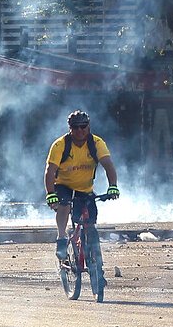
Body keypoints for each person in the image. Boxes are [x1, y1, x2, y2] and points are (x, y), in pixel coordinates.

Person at [44, 110, 120, 260]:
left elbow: (108, 165)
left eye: (83, 126)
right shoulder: (60, 145)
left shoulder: (97, 143)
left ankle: (94, 260)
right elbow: (50, 171)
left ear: (89, 126)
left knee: (90, 221)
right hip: (63, 185)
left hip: (85, 188)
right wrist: (51, 194)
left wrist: (113, 185)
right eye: (75, 127)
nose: (80, 130)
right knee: (64, 204)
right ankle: (61, 237)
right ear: (70, 128)